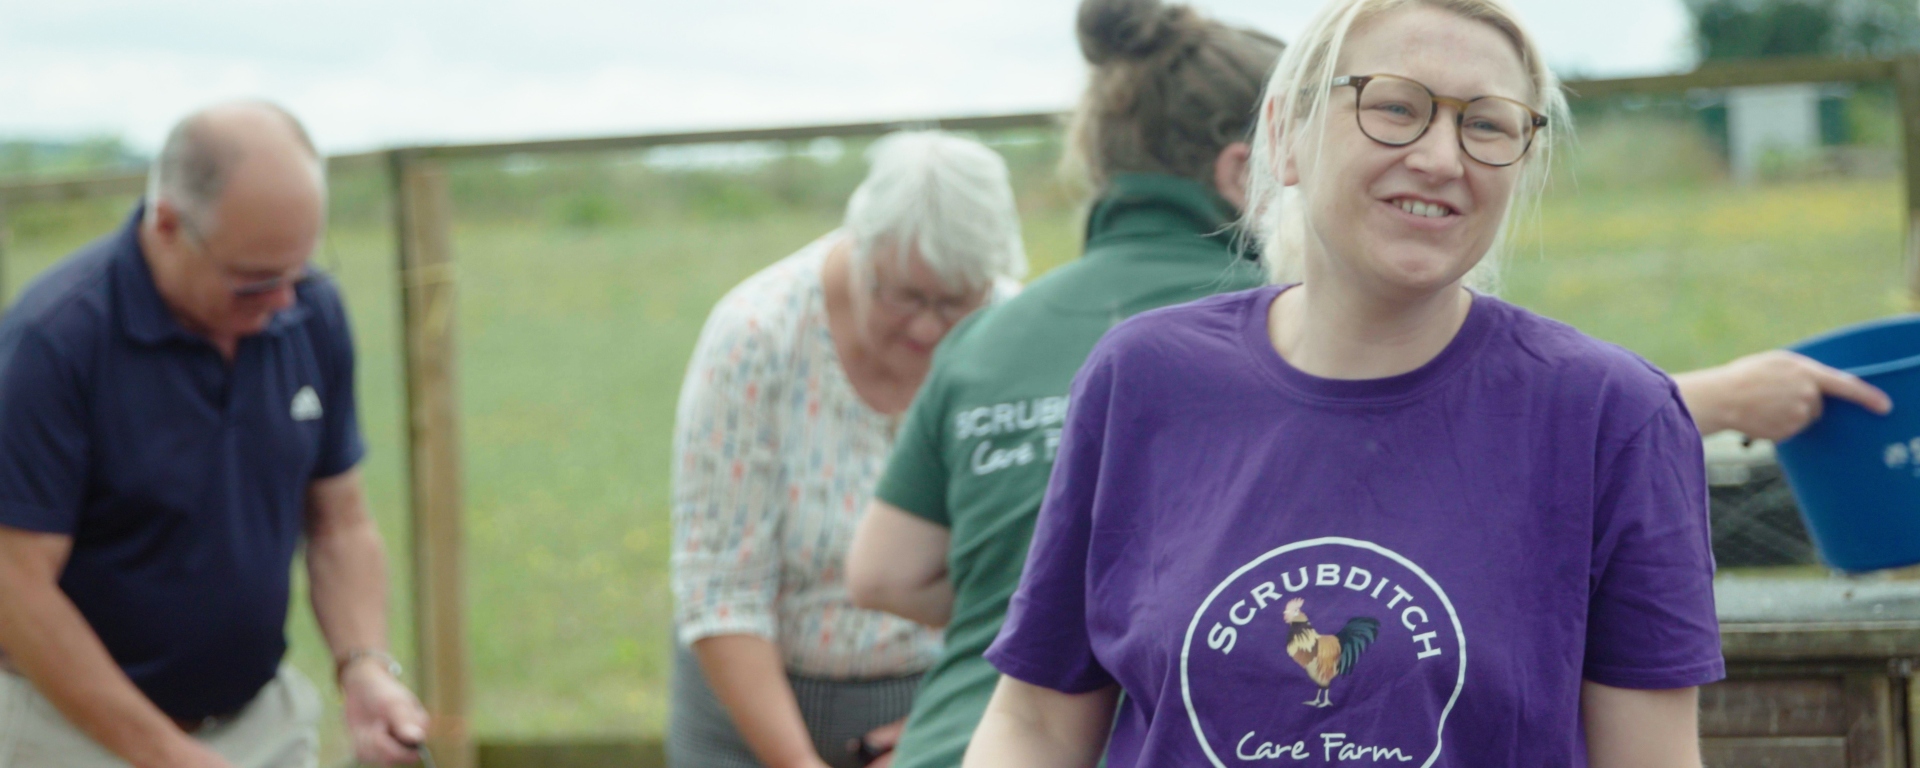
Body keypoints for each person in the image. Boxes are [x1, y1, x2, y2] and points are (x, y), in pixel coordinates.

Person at [964, 0, 1724, 765]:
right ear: (1283, 136)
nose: (1440, 157)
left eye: (1488, 125)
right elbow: (1035, 722)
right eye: (1395, 107)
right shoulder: (1143, 379)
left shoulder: (1613, 416)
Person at [844, 1, 1280, 766]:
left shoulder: (988, 336)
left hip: (957, 741)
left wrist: (1027, 606)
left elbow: (882, 572)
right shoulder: (1302, 330)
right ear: (1244, 170)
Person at [0, 103, 427, 768]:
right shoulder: (54, 342)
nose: (286, 301)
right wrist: (167, 755)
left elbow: (340, 522)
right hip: (67, 735)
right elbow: (16, 585)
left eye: (300, 269)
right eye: (254, 280)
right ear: (167, 225)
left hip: (259, 722)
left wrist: (365, 667)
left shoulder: (309, 311)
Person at [667, 131, 1027, 768]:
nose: (926, 326)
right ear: (860, 249)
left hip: (940, 703)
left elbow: (1029, 580)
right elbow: (720, 591)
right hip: (750, 705)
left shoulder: (1013, 336)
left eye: (954, 302)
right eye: (905, 295)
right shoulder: (756, 336)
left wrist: (948, 724)